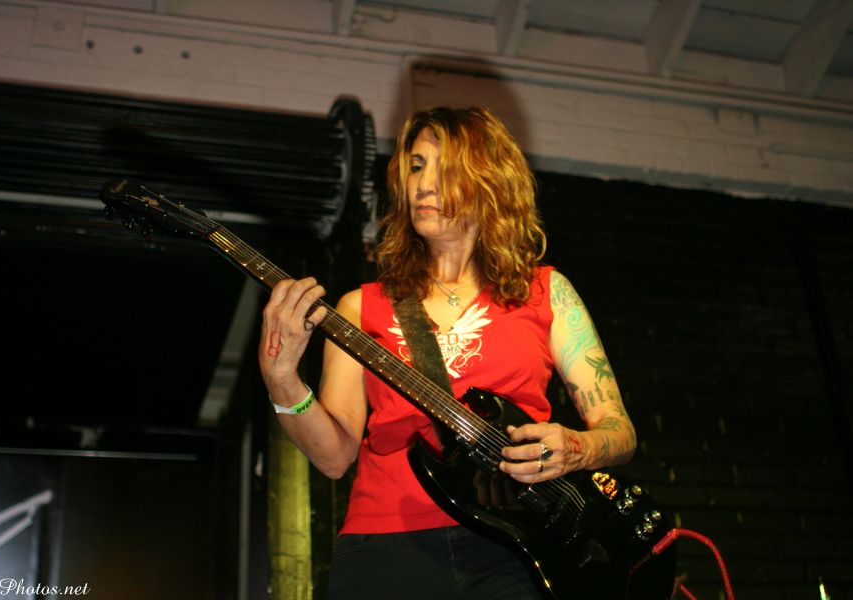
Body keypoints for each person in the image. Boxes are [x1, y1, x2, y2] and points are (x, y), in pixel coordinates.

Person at [258, 106, 637, 599]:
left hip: (517, 545)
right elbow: (334, 458)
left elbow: (619, 431)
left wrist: (575, 448)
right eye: (416, 166)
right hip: (387, 543)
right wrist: (282, 380)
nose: (423, 184)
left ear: (490, 181)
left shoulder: (547, 292)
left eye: (444, 167)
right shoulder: (361, 306)